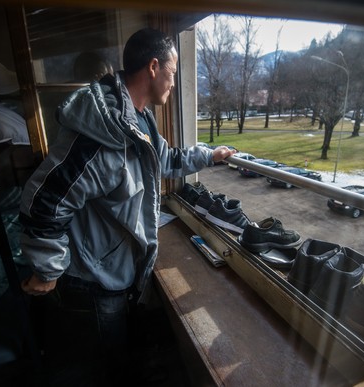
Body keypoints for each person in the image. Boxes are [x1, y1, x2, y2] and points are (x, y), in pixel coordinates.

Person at [19, 28, 235, 385]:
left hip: (117, 276)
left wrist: (209, 156)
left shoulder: (140, 119)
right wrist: (47, 269)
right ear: (154, 67)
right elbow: (42, 200)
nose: (174, 81)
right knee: (98, 372)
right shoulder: (101, 132)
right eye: (174, 70)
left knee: (118, 363)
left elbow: (163, 160)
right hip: (90, 285)